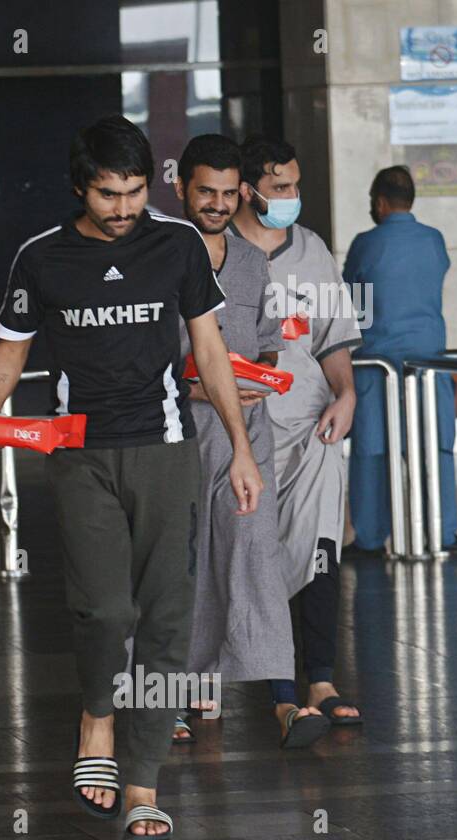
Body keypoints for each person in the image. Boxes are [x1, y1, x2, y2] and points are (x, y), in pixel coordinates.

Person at [0, 116, 262, 840]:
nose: (125, 208)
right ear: (80, 188)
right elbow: (10, 352)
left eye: (135, 192)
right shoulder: (41, 258)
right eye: (109, 195)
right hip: (81, 454)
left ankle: (142, 781)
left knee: (167, 620)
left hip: (165, 451)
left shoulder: (178, 244)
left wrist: (240, 446)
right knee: (104, 610)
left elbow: (209, 347)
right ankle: (97, 711)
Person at [230, 135, 364, 731]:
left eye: (295, 185)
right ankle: (281, 689)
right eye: (279, 187)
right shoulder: (218, 253)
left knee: (319, 547)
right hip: (244, 430)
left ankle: (323, 679)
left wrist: (347, 393)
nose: (291, 197)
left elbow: (333, 339)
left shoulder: (312, 251)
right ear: (247, 190)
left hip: (312, 428)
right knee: (257, 552)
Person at [169, 134, 296, 744]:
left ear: (241, 193)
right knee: (178, 564)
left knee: (250, 549)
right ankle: (172, 693)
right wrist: (199, 390)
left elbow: (268, 335)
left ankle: (281, 693)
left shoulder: (250, 260)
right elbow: (145, 357)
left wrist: (259, 372)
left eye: (227, 193)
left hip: (249, 433)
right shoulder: (159, 257)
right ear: (181, 189)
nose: (217, 204)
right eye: (205, 192)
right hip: (175, 433)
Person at [342, 168, 457, 554]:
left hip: (376, 364)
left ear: (380, 202)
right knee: (436, 449)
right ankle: (442, 533)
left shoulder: (366, 244)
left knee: (372, 451)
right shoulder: (434, 240)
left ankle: (369, 538)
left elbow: (354, 302)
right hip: (427, 363)